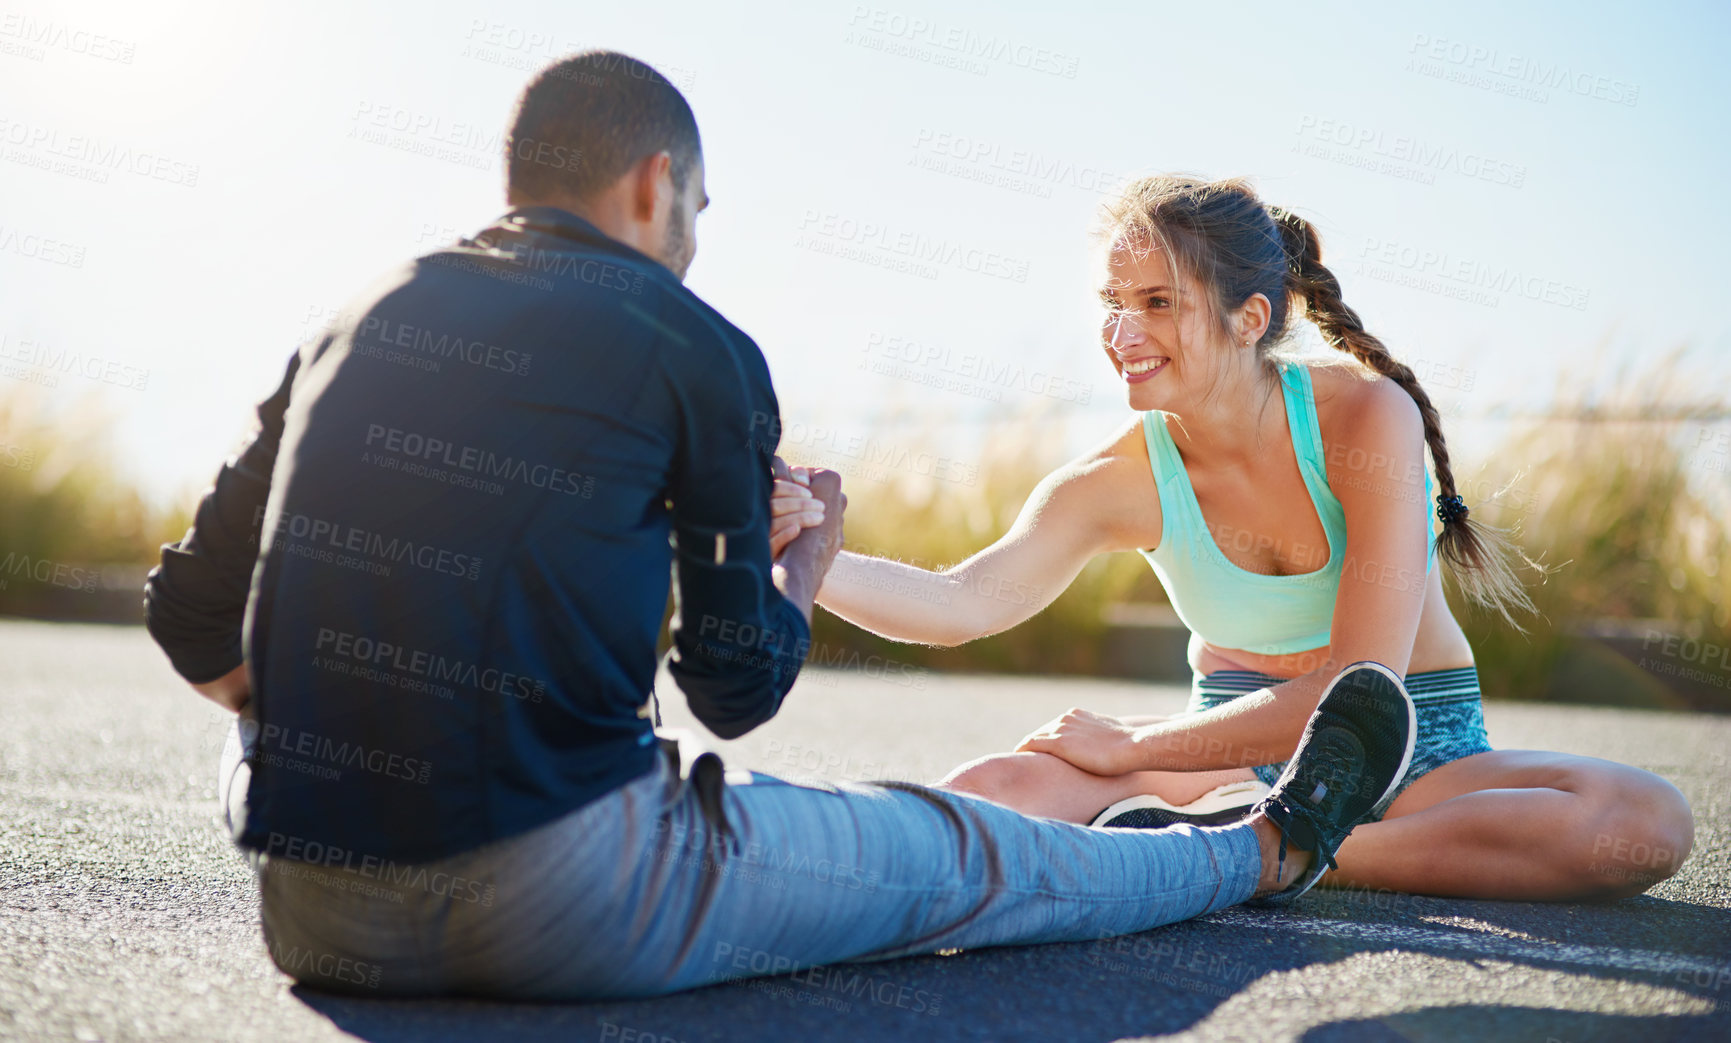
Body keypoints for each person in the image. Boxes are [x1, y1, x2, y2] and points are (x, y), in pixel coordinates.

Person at [144, 53, 1416, 1000]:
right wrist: (799, 563)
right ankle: (1269, 843)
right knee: (961, 852)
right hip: (570, 909)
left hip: (311, 921)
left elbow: (190, 609)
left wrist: (349, 729)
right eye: (698, 212)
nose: (694, 241)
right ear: (657, 187)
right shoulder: (693, 346)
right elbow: (737, 689)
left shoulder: (359, 316)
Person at [813, 175, 1695, 903]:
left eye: (1156, 302)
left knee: (1639, 821)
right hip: (1226, 759)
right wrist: (800, 548)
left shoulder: (1363, 418)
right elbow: (958, 602)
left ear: (1248, 317)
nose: (1121, 334)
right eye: (1112, 303)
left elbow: (1359, 690)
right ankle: (1252, 838)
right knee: (991, 795)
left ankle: (1271, 852)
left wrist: (1133, 749)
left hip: (1410, 752)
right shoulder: (1114, 479)